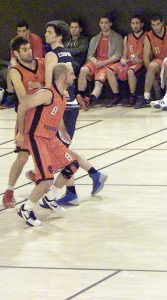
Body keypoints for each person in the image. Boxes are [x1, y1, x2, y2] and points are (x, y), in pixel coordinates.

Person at [42, 20, 107, 206]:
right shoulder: (68, 54)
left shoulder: (52, 55)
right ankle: (91, 177)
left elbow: (49, 86)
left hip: (60, 107)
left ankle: (81, 184)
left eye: (49, 32)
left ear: (59, 36)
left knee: (61, 152)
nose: (46, 35)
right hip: (71, 106)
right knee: (63, 150)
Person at [15, 63, 78, 226]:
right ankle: (26, 209)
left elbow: (57, 115)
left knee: (72, 165)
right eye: (72, 74)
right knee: (46, 181)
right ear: (63, 76)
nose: (74, 77)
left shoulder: (63, 95)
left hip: (51, 137)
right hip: (37, 137)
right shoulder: (46, 93)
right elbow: (22, 107)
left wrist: (63, 131)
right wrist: (20, 133)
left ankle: (51, 198)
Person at [2, 36, 45, 208]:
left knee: (48, 152)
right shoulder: (15, 71)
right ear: (16, 53)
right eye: (25, 50)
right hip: (26, 118)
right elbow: (22, 99)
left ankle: (37, 174)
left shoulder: (42, 63)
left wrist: (41, 86)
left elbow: (51, 86)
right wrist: (41, 93)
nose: (29, 52)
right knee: (22, 157)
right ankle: (8, 191)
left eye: (29, 48)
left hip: (43, 116)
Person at [134, 13, 167, 109]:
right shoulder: (149, 36)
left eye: (158, 24)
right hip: (160, 59)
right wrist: (153, 79)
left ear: (162, 23)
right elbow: (145, 57)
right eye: (153, 25)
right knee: (152, 65)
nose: (156, 27)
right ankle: (146, 97)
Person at [76, 14, 123, 108]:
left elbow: (118, 56)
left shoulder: (117, 38)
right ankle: (80, 96)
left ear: (110, 24)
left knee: (98, 82)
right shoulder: (95, 38)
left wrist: (104, 63)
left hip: (108, 63)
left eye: (106, 23)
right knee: (83, 70)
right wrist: (95, 61)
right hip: (96, 62)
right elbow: (90, 56)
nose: (103, 25)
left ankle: (89, 99)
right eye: (101, 23)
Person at [106, 14, 147, 107]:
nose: (135, 25)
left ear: (142, 24)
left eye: (137, 23)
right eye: (133, 23)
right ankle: (116, 96)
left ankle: (132, 96)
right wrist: (123, 59)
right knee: (109, 69)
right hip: (129, 61)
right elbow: (124, 54)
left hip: (141, 62)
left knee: (130, 71)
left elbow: (149, 56)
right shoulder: (127, 38)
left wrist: (140, 60)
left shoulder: (147, 36)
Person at [4, 20, 46, 107]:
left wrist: (43, 86)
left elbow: (36, 58)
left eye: (23, 31)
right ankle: (11, 95)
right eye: (19, 31)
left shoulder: (35, 39)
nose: (21, 33)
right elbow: (13, 59)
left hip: (35, 63)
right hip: (28, 104)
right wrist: (17, 68)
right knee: (11, 68)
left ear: (28, 31)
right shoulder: (15, 42)